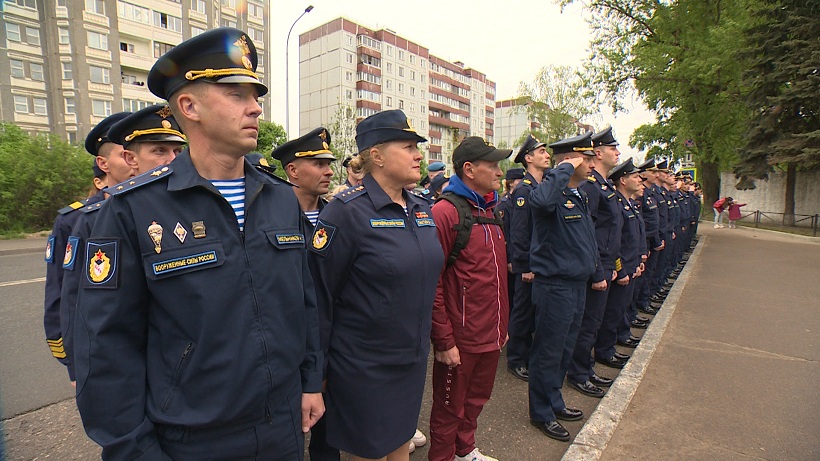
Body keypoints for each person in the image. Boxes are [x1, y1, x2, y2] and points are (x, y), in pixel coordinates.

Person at [72, 28, 324, 460]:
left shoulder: (280, 197)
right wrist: (134, 450)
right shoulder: (133, 209)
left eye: (256, 95)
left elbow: (304, 301)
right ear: (189, 106)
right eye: (235, 93)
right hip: (192, 438)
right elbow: (105, 347)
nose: (255, 107)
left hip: (282, 426)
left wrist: (311, 381)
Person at [307, 109, 443, 461]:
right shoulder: (345, 213)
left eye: (418, 147)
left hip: (410, 360)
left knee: (400, 445)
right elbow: (319, 297)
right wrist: (315, 374)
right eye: (408, 146)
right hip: (363, 366)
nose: (419, 155)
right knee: (371, 452)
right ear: (377, 156)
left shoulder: (421, 208)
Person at [428, 136, 510, 461]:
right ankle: (443, 457)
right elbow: (432, 283)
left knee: (476, 400)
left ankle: (465, 451)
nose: (500, 172)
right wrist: (445, 340)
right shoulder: (445, 213)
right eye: (493, 165)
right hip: (461, 340)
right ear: (470, 169)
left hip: (490, 335)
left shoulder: (491, 211)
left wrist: (502, 327)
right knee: (449, 407)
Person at [43, 112, 131, 385]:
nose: (134, 160)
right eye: (124, 153)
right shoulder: (75, 220)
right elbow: (61, 295)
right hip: (104, 355)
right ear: (102, 164)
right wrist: (72, 361)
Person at [527, 132, 598, 442]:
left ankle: (554, 401)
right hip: (554, 287)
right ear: (573, 159)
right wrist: (564, 168)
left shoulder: (578, 195)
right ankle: (541, 412)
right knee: (548, 352)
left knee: (564, 351)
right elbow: (542, 201)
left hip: (575, 286)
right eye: (588, 157)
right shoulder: (548, 193)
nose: (594, 163)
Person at [567, 127, 622, 398]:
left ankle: (585, 369)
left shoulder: (604, 185)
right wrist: (599, 269)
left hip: (607, 265)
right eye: (613, 149)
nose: (618, 153)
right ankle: (578, 372)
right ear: (598, 153)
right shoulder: (590, 187)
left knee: (595, 321)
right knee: (587, 324)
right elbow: (589, 234)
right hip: (595, 268)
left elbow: (613, 231)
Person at [507, 135, 550, 382]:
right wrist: (525, 265)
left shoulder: (540, 186)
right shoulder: (524, 189)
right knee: (523, 311)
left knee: (533, 312)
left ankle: (526, 354)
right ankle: (516, 359)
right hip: (529, 265)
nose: (546, 155)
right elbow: (520, 231)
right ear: (528, 158)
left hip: (540, 262)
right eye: (541, 151)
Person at [498, 167, 524, 313]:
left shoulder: (519, 200)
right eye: (519, 180)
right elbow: (505, 233)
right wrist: (509, 259)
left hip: (518, 256)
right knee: (512, 297)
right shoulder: (504, 204)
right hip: (511, 256)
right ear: (510, 183)